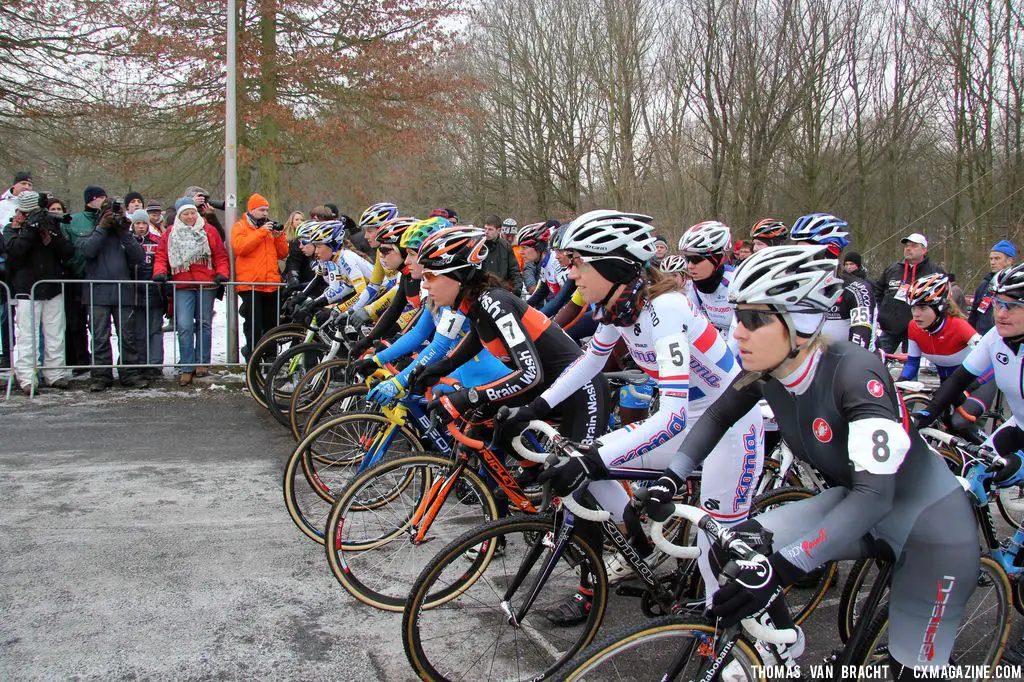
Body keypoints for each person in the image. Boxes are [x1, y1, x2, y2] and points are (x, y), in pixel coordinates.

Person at [646, 245, 980, 678]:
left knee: (910, 671)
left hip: (929, 528)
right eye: (738, 317)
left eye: (753, 319)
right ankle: (784, 648)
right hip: (855, 504)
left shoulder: (855, 375)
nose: (738, 333)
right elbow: (717, 415)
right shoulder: (768, 372)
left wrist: (785, 567)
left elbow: (877, 497)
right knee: (735, 552)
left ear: (800, 327)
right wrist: (670, 478)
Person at [498, 209, 761, 621]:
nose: (572, 276)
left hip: (730, 426)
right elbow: (588, 363)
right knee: (582, 463)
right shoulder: (619, 306)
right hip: (689, 419)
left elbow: (672, 414)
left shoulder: (667, 309)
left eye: (578, 264)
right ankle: (640, 540)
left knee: (716, 555)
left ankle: (735, 643)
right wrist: (536, 407)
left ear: (613, 264)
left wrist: (593, 458)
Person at [408, 225, 609, 621]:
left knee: (578, 487)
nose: (424, 282)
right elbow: (474, 344)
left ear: (458, 275)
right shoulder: (475, 306)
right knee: (485, 423)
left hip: (578, 390)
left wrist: (469, 396)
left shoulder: (495, 301)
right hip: (551, 392)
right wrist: (437, 369)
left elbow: (530, 373)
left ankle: (591, 589)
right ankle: (533, 498)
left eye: (431, 275)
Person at [897, 273, 992, 441]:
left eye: (923, 308)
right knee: (941, 424)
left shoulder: (959, 326)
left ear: (940, 307)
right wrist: (897, 386)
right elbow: (912, 364)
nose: (916, 314)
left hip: (978, 382)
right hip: (949, 383)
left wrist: (969, 388)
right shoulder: (914, 327)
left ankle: (990, 452)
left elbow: (993, 360)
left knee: (958, 423)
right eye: (913, 308)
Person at [2, 191, 75, 394]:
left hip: (52, 287)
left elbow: (68, 251)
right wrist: (30, 228)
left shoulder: (50, 227)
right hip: (27, 289)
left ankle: (55, 374)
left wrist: (50, 231)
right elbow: (15, 250)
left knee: (55, 334)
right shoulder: (11, 229)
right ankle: (26, 377)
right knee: (28, 336)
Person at [153, 197, 230, 386]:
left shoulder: (209, 231)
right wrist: (160, 272)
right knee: (185, 325)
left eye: (192, 213)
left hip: (206, 283)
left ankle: (202, 362)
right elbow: (162, 254)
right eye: (186, 214)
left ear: (197, 213)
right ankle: (187, 365)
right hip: (183, 283)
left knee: (204, 323)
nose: (189, 216)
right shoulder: (171, 232)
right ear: (180, 215)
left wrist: (222, 273)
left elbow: (220, 255)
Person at [81, 199, 147, 390]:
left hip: (122, 292)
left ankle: (130, 374)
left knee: (127, 336)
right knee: (100, 336)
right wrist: (102, 228)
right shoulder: (94, 231)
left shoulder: (124, 234)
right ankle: (101, 376)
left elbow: (139, 257)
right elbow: (87, 251)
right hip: (98, 292)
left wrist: (125, 232)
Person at [789, 213, 877, 350]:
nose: (798, 257)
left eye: (805, 250)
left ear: (830, 251)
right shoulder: (795, 286)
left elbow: (860, 344)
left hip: (850, 364)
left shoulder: (857, 289)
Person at [232, 193, 288, 361]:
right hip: (251, 284)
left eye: (267, 210)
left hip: (271, 283)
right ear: (251, 210)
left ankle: (271, 358)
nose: (265, 213)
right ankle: (253, 356)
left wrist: (279, 238)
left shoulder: (269, 230)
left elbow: (283, 253)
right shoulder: (240, 226)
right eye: (262, 210)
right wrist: (261, 233)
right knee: (253, 325)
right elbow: (240, 248)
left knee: (272, 325)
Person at [873, 232, 943, 353]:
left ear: (924, 250)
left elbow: (942, 300)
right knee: (878, 360)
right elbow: (877, 292)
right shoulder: (893, 268)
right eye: (907, 246)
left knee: (910, 364)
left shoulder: (934, 271)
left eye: (914, 246)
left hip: (917, 330)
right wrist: (881, 313)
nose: (908, 249)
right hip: (889, 328)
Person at [64, 185, 108, 371]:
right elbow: (69, 248)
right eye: (101, 198)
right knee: (76, 322)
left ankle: (101, 362)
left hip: (101, 278)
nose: (104, 202)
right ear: (92, 199)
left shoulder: (107, 219)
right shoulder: (74, 220)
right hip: (78, 276)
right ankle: (80, 360)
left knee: (98, 325)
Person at [679, 220, 735, 335]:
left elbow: (739, 333)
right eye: (687, 259)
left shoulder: (736, 282)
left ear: (716, 259)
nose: (690, 266)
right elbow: (686, 318)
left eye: (696, 260)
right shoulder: (695, 284)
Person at [0, 171, 33, 368]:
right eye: (23, 184)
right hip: (5, 261)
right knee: (6, 311)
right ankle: (7, 350)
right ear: (14, 185)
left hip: (26, 263)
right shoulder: (3, 205)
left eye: (30, 185)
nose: (27, 188)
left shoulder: (35, 205)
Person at [128, 209, 165, 377]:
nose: (141, 227)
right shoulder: (127, 241)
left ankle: (156, 364)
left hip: (154, 292)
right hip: (134, 293)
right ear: (133, 225)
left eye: (144, 223)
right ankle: (141, 362)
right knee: (139, 331)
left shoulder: (157, 241)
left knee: (155, 330)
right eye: (138, 223)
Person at [969, 240, 1015, 336]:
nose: (992, 262)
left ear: (1009, 260)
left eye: (997, 258)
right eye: (991, 259)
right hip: (982, 338)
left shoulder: (1015, 285)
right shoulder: (985, 285)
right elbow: (974, 314)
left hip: (1005, 338)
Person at [518, 221, 566, 309]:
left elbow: (565, 301)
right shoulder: (545, 265)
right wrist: (521, 309)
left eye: (524, 248)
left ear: (538, 247)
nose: (520, 252)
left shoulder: (556, 263)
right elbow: (539, 294)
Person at [481, 215, 524, 292]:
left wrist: (518, 288)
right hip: (482, 289)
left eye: (490, 229)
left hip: (501, 290)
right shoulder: (479, 246)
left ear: (498, 230)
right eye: (485, 229)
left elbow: (514, 270)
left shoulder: (506, 246)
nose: (486, 232)